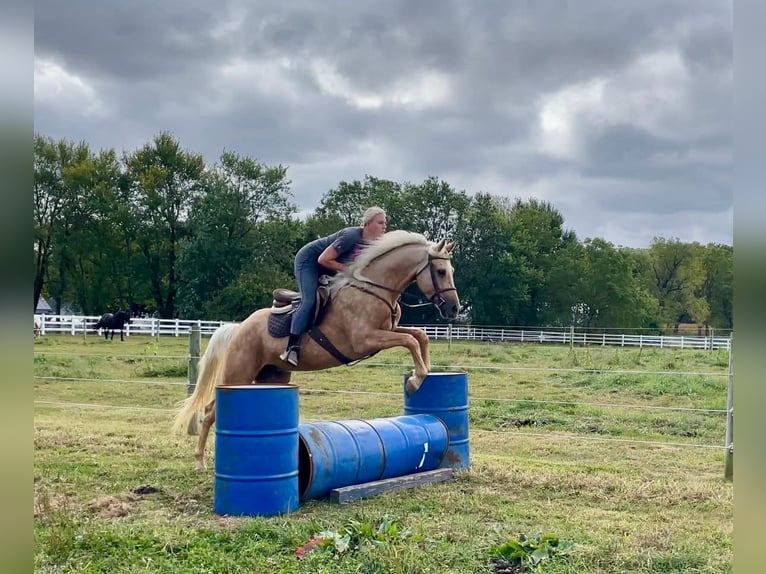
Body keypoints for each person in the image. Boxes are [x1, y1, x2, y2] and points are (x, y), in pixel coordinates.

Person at [280, 206, 388, 366]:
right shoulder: (351, 236)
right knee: (309, 301)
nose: (384, 226)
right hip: (309, 262)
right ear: (367, 224)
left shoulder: (373, 244)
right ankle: (291, 348)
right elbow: (323, 259)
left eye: (385, 223)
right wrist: (349, 271)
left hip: (331, 266)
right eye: (380, 223)